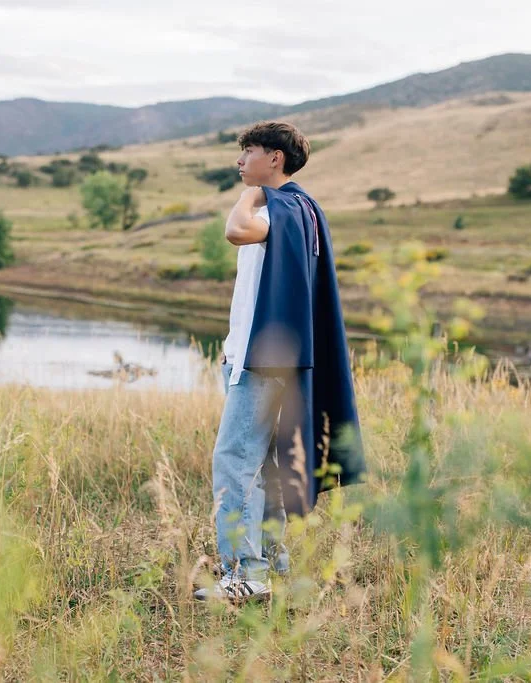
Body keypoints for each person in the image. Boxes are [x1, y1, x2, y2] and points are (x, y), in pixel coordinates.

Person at [194, 121, 365, 603]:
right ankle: (270, 561)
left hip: (263, 361)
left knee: (234, 459)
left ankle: (245, 574)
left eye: (248, 151)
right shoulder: (302, 210)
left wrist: (250, 196)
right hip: (266, 355)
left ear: (276, 158)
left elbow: (234, 231)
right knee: (268, 464)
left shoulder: (281, 207)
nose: (240, 160)